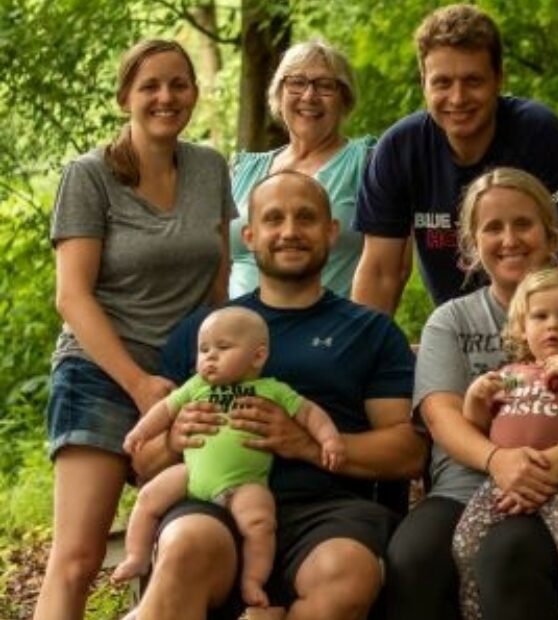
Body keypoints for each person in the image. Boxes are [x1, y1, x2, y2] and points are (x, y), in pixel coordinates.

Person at [131, 170, 422, 619]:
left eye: (305, 218)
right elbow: (143, 463)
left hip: (327, 513)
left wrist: (304, 443)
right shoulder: (203, 331)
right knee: (184, 548)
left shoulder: (370, 330)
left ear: (331, 232)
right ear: (249, 236)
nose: (289, 231)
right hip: (211, 502)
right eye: (273, 219)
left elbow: (406, 452)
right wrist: (172, 441)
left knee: (346, 575)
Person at [385, 167, 558, 620]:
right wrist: (499, 461)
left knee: (509, 553)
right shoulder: (452, 320)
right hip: (465, 488)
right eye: (493, 228)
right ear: (472, 246)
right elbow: (441, 416)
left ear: (551, 236)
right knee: (412, 561)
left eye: (523, 224)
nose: (510, 239)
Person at [36, 38, 233, 620]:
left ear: (195, 93)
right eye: (150, 86)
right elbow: (71, 296)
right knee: (78, 557)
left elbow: (217, 286)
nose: (166, 97)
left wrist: (218, 367)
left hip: (184, 380)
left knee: (176, 542)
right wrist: (137, 383)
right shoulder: (90, 176)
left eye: (179, 84)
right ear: (125, 96)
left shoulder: (209, 168)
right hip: (100, 375)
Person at [112, 306, 345, 609]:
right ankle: (137, 556)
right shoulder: (196, 387)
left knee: (260, 522)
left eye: (222, 348)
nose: (210, 356)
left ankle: (252, 579)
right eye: (204, 349)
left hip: (242, 483)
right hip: (192, 476)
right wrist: (139, 433)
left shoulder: (270, 389)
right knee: (148, 497)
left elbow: (309, 412)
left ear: (257, 357)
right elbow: (165, 410)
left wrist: (329, 438)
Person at [354, 3, 558, 312]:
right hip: (455, 329)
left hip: (544, 319)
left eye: (473, 81)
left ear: (499, 79)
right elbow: (382, 273)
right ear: (424, 82)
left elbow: (553, 253)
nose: (458, 98)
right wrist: (365, 355)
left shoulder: (538, 133)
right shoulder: (399, 149)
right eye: (443, 82)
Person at [454, 267, 558, 620]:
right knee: (464, 542)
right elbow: (477, 425)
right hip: (504, 482)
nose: (553, 325)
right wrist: (474, 395)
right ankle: (473, 613)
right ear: (522, 329)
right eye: (540, 316)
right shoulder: (512, 375)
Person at [229, 39, 377, 298]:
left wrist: (363, 335)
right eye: (296, 83)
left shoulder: (368, 162)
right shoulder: (242, 169)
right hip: (236, 333)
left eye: (325, 86)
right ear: (279, 94)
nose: (309, 96)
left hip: (327, 334)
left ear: (344, 98)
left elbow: (388, 267)